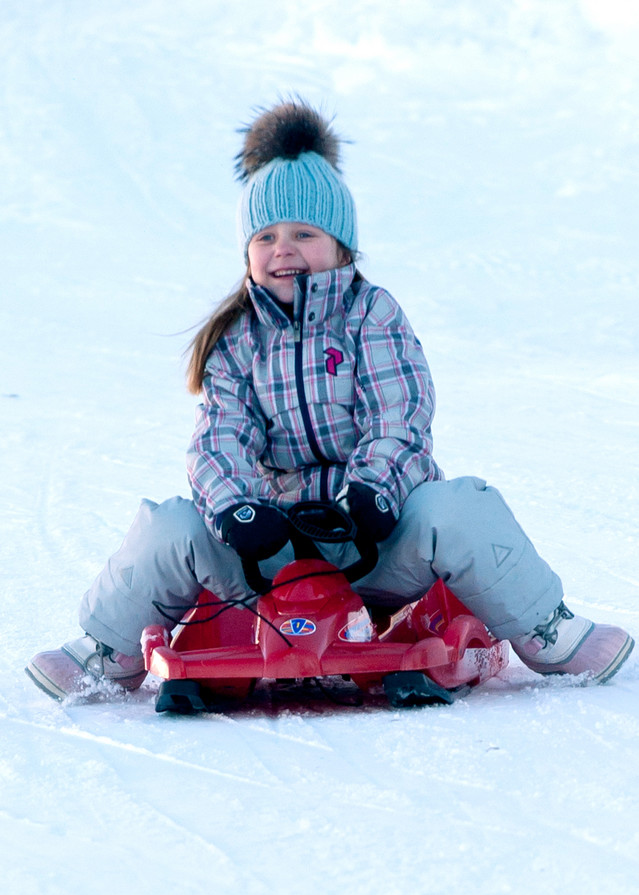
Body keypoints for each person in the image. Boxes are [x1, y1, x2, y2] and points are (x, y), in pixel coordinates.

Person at [26, 100, 634, 701]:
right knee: (170, 525)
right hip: (268, 550)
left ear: (343, 246)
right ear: (247, 254)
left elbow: (400, 415)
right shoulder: (237, 342)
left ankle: (548, 629)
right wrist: (238, 511)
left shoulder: (373, 314)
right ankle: (108, 649)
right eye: (265, 237)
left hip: (374, 541)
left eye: (303, 233)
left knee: (460, 508)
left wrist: (377, 490)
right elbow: (217, 441)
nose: (283, 248)